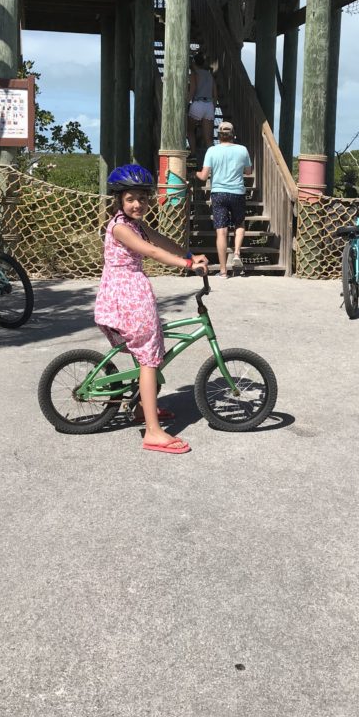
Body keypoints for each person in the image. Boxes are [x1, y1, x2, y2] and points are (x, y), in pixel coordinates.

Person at [94, 163, 208, 454]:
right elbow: (151, 252)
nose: (137, 204)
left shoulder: (137, 224)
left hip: (131, 292)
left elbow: (159, 240)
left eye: (142, 199)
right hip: (127, 294)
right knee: (149, 358)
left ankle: (141, 409)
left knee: (147, 351)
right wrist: (186, 266)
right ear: (119, 199)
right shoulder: (120, 227)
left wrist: (190, 253)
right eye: (130, 198)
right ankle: (153, 432)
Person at [195, 121, 252, 279]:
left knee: (221, 231)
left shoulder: (212, 151)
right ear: (233, 134)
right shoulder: (242, 150)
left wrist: (195, 174)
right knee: (239, 223)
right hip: (237, 193)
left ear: (219, 135)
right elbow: (248, 172)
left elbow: (204, 176)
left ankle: (223, 271)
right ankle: (237, 253)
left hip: (218, 193)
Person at [187, 52, 217, 159]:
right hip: (209, 105)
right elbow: (215, 94)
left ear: (194, 63)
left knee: (189, 130)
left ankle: (193, 152)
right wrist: (213, 107)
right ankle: (213, 159)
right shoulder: (210, 75)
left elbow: (192, 90)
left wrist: (186, 102)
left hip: (198, 103)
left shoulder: (194, 75)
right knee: (208, 138)